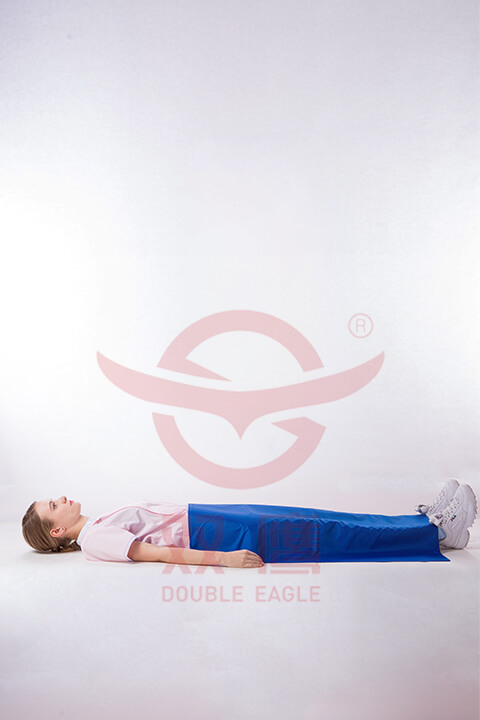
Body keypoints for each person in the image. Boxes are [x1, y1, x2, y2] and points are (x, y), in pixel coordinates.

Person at [21, 479, 477, 567]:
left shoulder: (98, 523)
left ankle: (422, 523)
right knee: (325, 534)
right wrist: (224, 559)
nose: (61, 499)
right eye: (53, 506)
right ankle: (438, 534)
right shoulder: (96, 539)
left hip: (208, 517)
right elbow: (155, 553)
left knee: (318, 518)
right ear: (56, 531)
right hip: (216, 534)